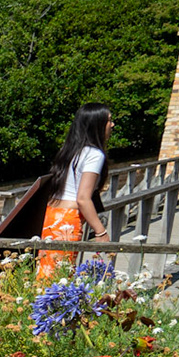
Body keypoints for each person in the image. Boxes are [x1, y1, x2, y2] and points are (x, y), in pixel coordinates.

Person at [39, 103, 112, 280]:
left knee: (47, 271)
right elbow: (83, 198)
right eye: (109, 120)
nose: (112, 124)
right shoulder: (94, 154)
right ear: (97, 124)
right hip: (68, 220)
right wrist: (101, 232)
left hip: (52, 214)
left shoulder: (70, 151)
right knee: (60, 275)